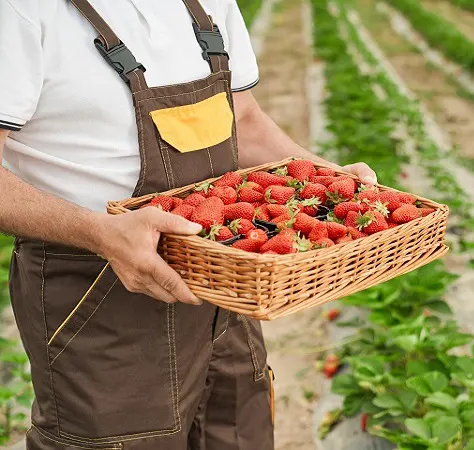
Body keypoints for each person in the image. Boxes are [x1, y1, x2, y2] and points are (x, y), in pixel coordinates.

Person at [0, 0, 376, 448]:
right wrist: (102, 233)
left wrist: (333, 178)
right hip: (99, 296)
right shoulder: (21, 12)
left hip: (223, 278)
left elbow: (245, 121)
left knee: (237, 431)